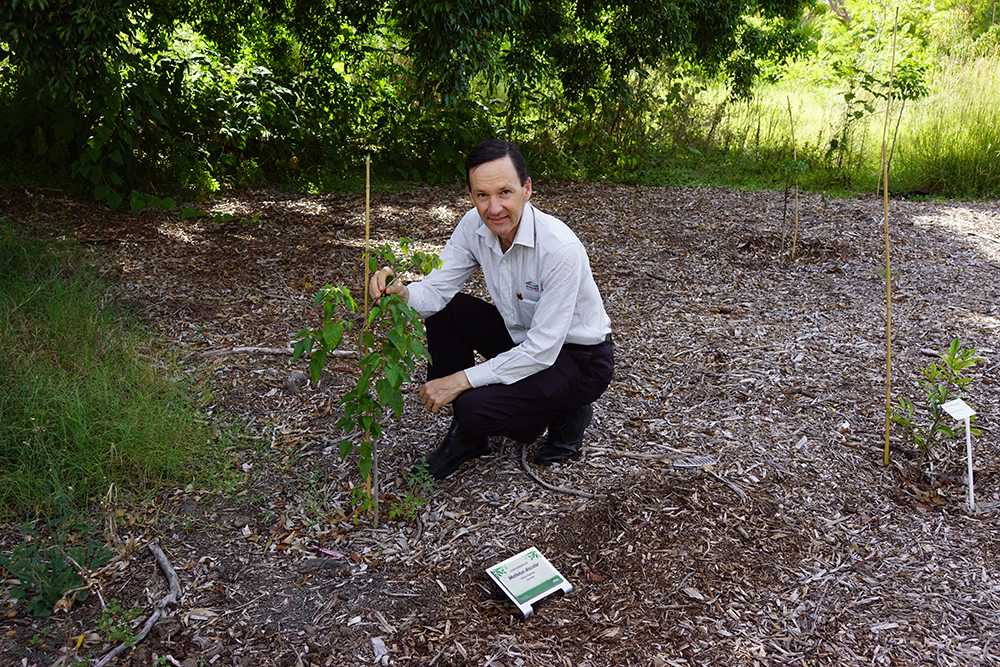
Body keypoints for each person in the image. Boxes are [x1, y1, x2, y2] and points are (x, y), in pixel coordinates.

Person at [368, 139, 614, 479]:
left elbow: (542, 350)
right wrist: (402, 294)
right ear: (470, 195)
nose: (494, 208)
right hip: (524, 339)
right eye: (482, 195)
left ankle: (565, 409)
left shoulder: (560, 249)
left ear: (527, 189)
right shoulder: (473, 225)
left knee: (472, 406)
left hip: (578, 359)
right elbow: (438, 290)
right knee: (447, 310)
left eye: (505, 192)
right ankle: (468, 438)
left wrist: (460, 381)